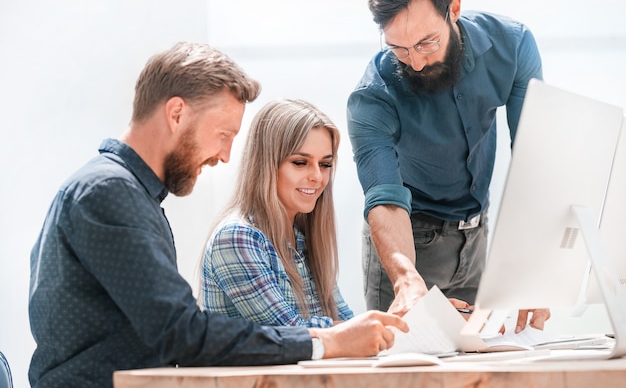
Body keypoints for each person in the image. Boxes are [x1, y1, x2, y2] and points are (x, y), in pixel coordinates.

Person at [28, 42, 408, 388]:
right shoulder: (109, 192)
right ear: (177, 113)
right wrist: (325, 341)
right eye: (223, 134)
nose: (225, 155)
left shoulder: (127, 194)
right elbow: (183, 334)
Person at [346, 0, 549, 331]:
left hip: (477, 235)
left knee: (479, 367)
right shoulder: (373, 96)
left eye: (426, 43)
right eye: (399, 49)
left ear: (453, 9)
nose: (416, 62)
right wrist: (407, 280)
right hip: (409, 243)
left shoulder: (512, 45)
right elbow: (384, 198)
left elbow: (534, 158)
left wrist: (532, 263)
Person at [199, 98, 354, 328]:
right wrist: (364, 331)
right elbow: (291, 333)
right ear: (266, 165)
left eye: (325, 164)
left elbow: (347, 324)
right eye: (301, 163)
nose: (317, 177)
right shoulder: (236, 238)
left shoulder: (304, 241)